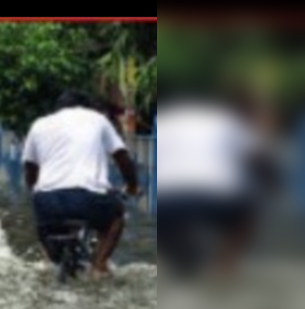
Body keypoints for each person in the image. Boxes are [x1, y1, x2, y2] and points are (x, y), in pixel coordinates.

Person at [155, 92, 277, 280]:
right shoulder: (230, 122)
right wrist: (271, 185)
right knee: (247, 218)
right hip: (218, 196)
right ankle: (224, 268)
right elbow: (258, 160)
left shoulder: (169, 121)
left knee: (172, 247)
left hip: (169, 199)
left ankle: (176, 261)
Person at [22, 91, 140, 279]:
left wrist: (35, 192)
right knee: (116, 216)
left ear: (57, 109)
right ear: (85, 107)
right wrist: (132, 185)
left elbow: (29, 167)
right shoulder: (98, 120)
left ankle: (54, 262)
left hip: (47, 202)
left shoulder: (39, 124)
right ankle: (99, 265)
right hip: (88, 198)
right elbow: (121, 155)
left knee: (46, 234)